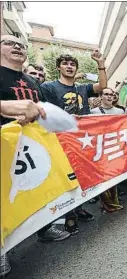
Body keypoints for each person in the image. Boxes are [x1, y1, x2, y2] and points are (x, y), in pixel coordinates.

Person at [0, 36, 71, 247]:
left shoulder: (33, 82)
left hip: (31, 148)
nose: (17, 47)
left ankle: (44, 229)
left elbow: (42, 111)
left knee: (35, 190)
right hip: (4, 146)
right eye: (9, 43)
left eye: (21, 45)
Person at [41, 51, 107, 234]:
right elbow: (44, 113)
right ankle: (68, 215)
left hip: (81, 141)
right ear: (58, 67)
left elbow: (102, 85)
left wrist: (100, 63)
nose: (69, 66)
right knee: (66, 179)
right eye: (65, 63)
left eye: (72, 64)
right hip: (60, 141)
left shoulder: (82, 88)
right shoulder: (48, 87)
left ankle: (78, 208)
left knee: (81, 176)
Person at [90, 88, 125, 211]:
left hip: (115, 147)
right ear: (100, 97)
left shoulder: (120, 112)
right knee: (103, 177)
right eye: (106, 94)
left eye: (112, 94)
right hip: (100, 149)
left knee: (114, 175)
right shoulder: (93, 113)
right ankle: (107, 204)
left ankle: (114, 200)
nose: (110, 96)